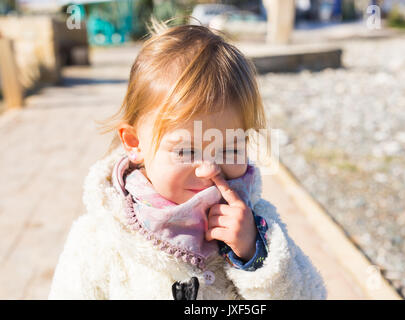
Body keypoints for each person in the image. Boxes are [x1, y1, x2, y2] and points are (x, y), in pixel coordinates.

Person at [48, 17, 327, 300]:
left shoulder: (258, 226)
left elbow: (311, 295)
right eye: (186, 151)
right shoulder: (100, 239)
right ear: (134, 143)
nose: (208, 169)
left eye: (229, 149)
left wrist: (255, 256)